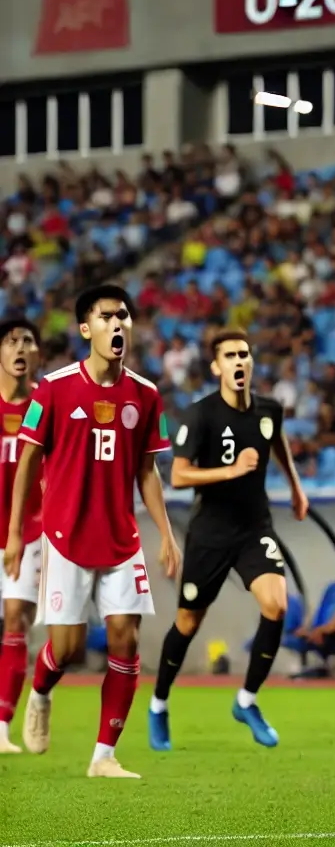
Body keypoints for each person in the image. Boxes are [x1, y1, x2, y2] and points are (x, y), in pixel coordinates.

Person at [3, 284, 181, 778]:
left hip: (122, 540)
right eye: (106, 317)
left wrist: (165, 534)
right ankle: (39, 693)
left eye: (123, 316)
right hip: (64, 539)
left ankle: (104, 757)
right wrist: (17, 532)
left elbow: (147, 471)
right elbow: (27, 463)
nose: (117, 324)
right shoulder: (53, 389)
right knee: (68, 649)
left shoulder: (146, 395)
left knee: (126, 639)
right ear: (87, 329)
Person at [148, 329, 308, 751]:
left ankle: (246, 701)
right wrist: (230, 471)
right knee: (187, 623)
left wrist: (295, 486)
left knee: (277, 605)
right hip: (210, 535)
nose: (239, 362)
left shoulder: (270, 409)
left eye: (244, 354)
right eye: (230, 357)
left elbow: (278, 442)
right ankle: (159, 705)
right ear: (217, 367)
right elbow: (178, 475)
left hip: (255, 528)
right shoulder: (200, 415)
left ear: (251, 363)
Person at [0, 319, 42, 753]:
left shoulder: (43, 409)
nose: (19, 348)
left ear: (36, 356)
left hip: (28, 534)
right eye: (11, 341)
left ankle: (1, 727)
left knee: (16, 621)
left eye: (27, 342)